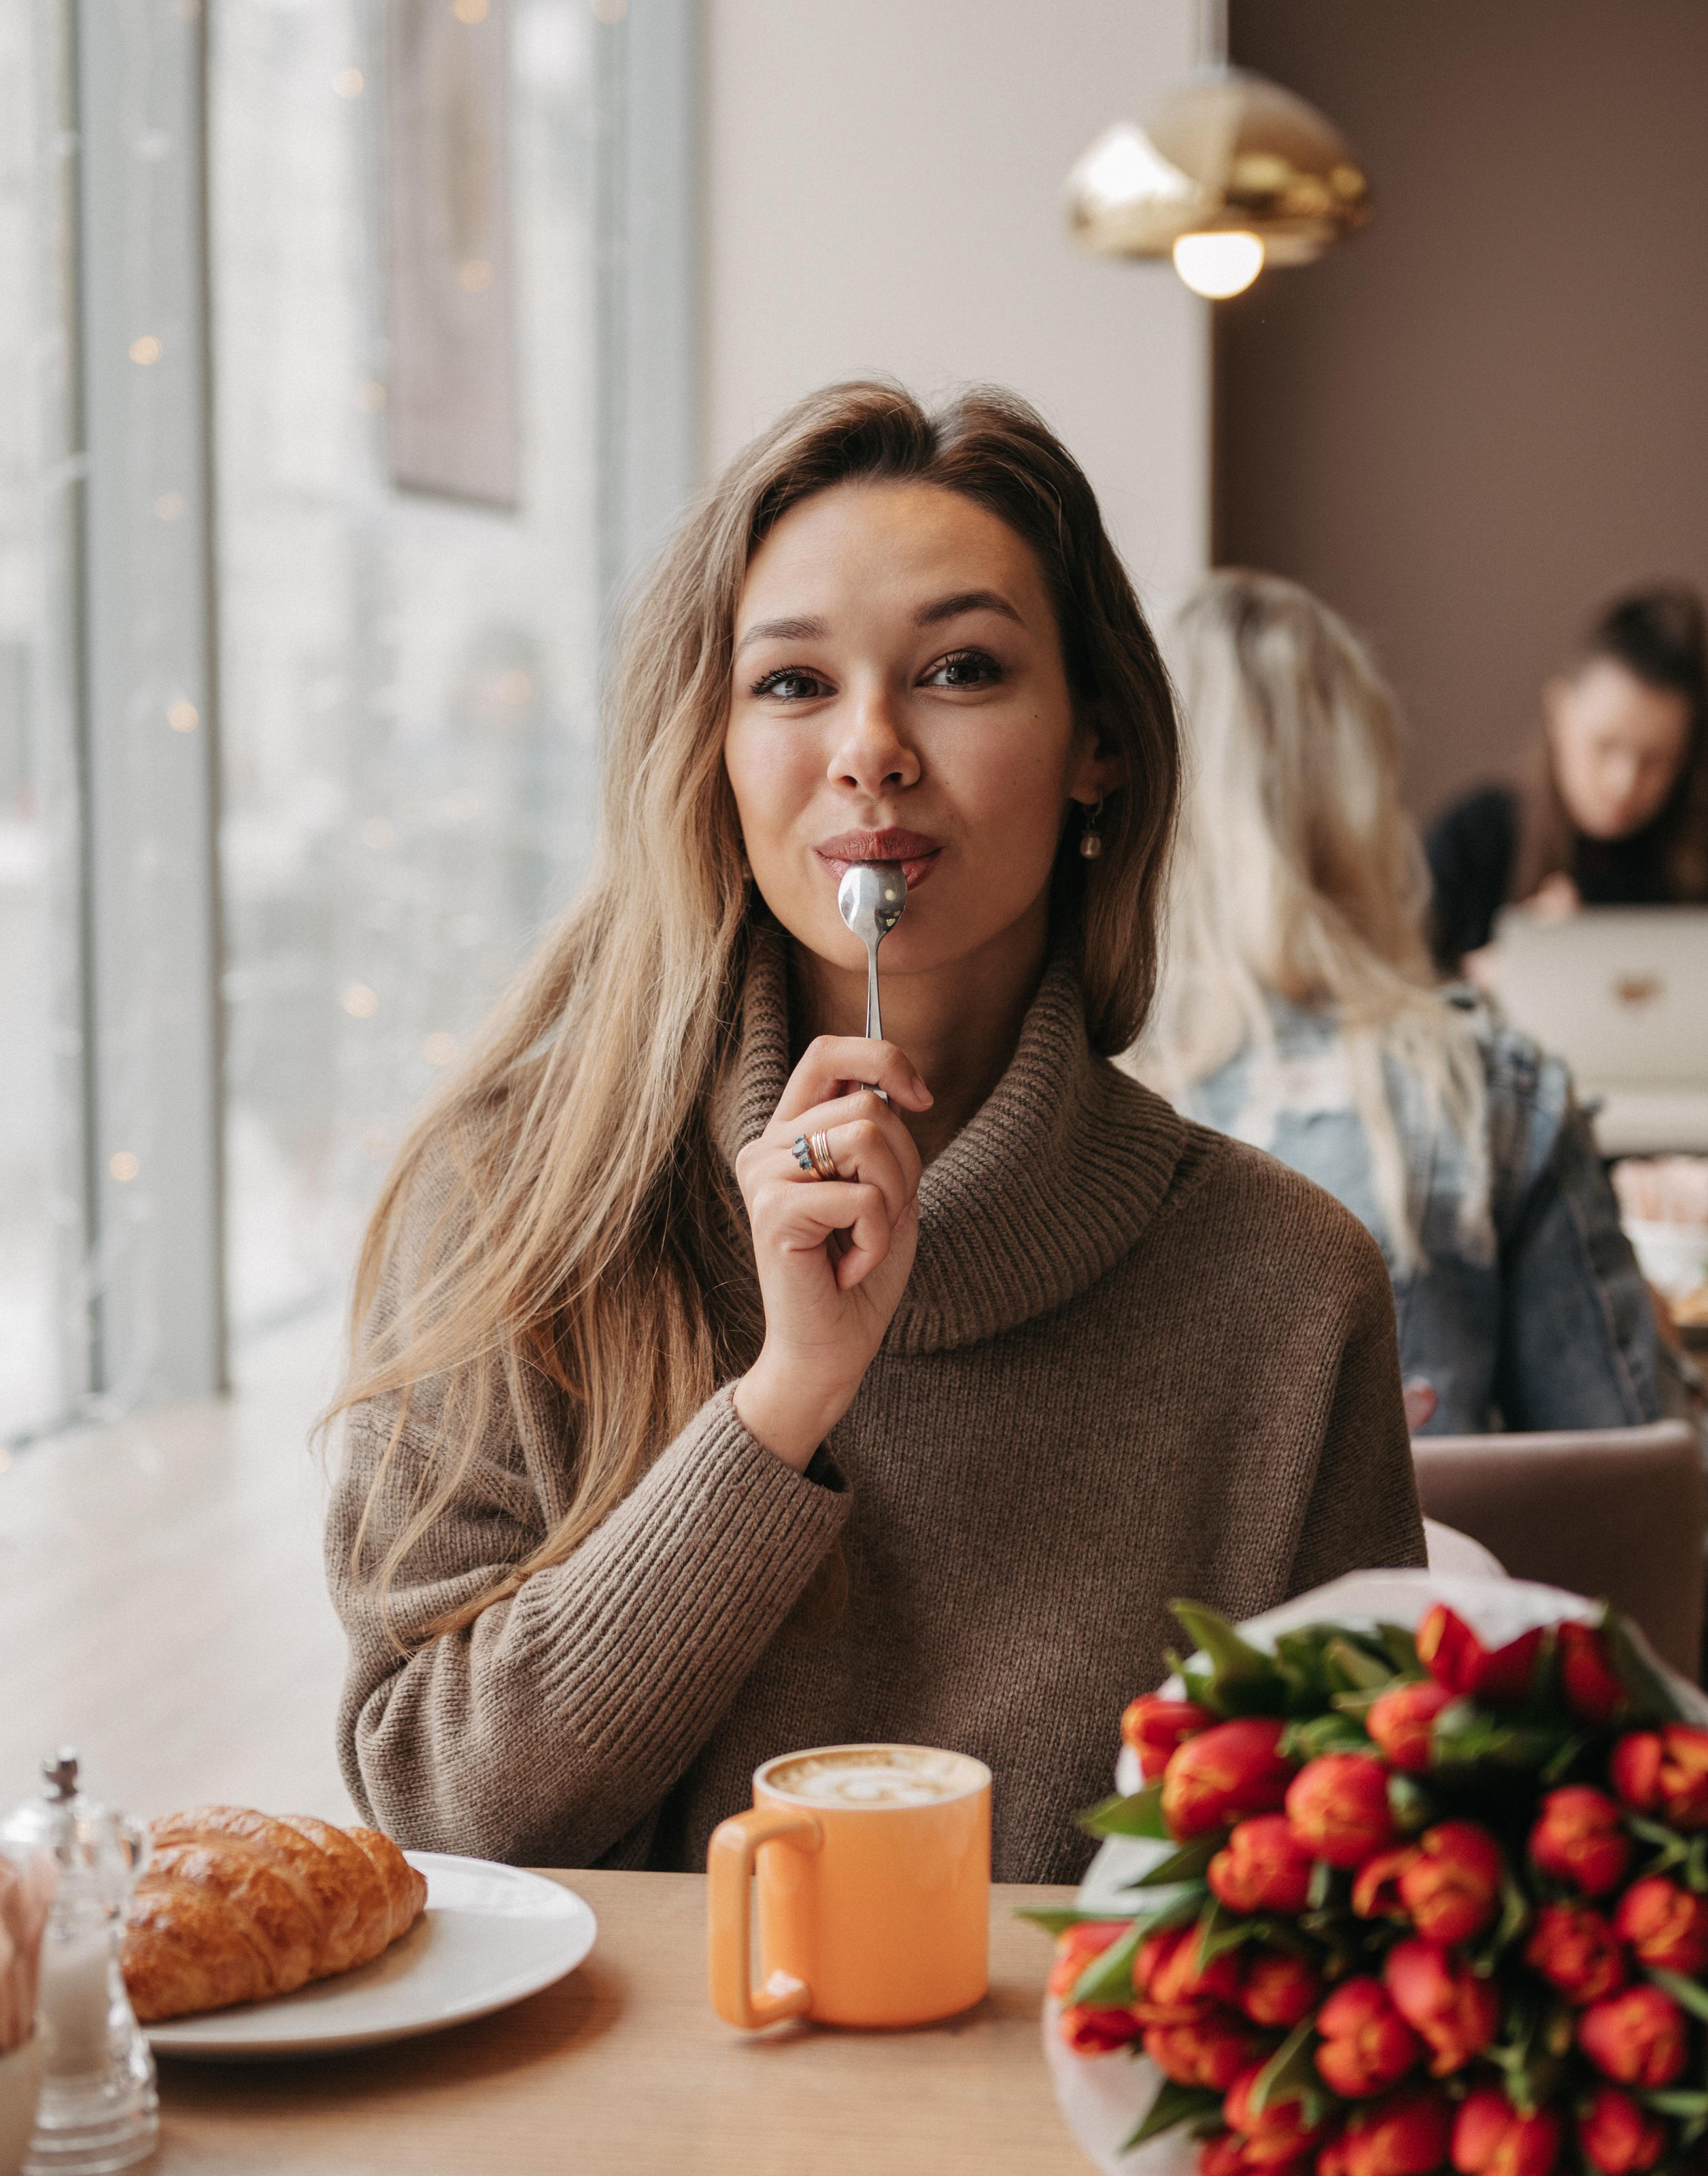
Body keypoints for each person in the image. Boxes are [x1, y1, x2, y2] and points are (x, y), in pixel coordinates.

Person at [324, 386, 1422, 1886]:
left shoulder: (1286, 1284)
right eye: (788, 685)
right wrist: (783, 1400)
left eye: (959, 670)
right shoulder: (510, 1198)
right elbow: (435, 1813)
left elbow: (1353, 1892)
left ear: (1097, 744)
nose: (870, 749)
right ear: (706, 749)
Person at [1138, 568, 1661, 1440]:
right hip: (1419, 1573)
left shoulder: (1023, 1086)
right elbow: (1631, 1474)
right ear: (1358, 794)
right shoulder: (1484, 1090)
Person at [1427, 586, 1708, 976]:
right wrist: (1483, 974)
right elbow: (1384, 993)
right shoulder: (1474, 839)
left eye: (1656, 761)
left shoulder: (1694, 862)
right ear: (1559, 710)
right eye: (1605, 746)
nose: (1623, 783)